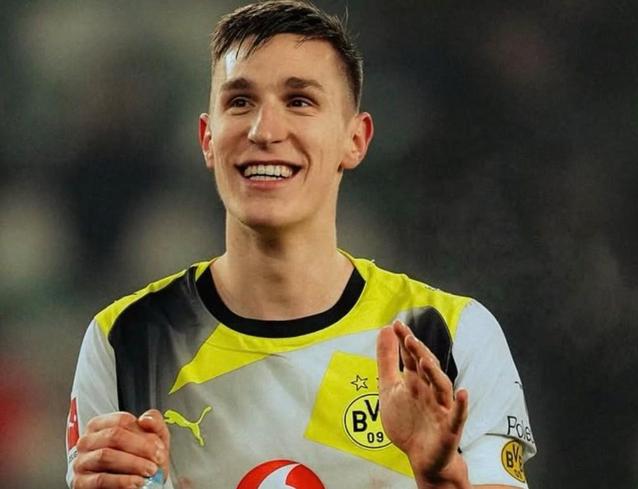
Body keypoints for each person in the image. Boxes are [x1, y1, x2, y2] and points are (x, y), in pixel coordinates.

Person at [65, 1, 536, 488]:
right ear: (207, 138)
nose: (264, 131)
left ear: (355, 139)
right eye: (240, 102)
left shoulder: (448, 336)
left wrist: (441, 480)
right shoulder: (126, 339)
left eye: (300, 101)